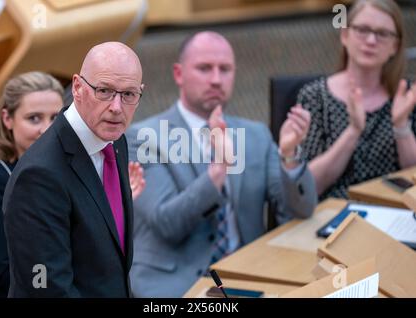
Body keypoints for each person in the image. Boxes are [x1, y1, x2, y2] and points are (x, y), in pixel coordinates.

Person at [126, 31, 317, 297]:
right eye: (204, 68)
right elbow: (168, 224)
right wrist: (218, 170)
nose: (216, 79)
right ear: (179, 74)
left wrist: (290, 154)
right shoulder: (142, 137)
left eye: (225, 69)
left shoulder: (256, 135)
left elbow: (301, 210)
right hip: (177, 284)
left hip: (248, 276)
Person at [2, 42, 143, 297]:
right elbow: (46, 288)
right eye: (104, 91)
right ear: (77, 87)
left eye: (129, 94)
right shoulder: (39, 176)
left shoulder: (115, 139)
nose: (116, 107)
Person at [299, 0, 416, 200]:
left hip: (395, 212)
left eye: (382, 34)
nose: (371, 40)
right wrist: (353, 131)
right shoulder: (315, 96)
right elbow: (307, 187)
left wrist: (401, 126)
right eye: (362, 29)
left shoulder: (407, 95)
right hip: (331, 215)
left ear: (395, 46)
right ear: (345, 35)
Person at [0, 71, 64, 298]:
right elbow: (5, 276)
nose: (46, 129)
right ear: (7, 119)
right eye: (34, 118)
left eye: (55, 118)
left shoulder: (77, 173)